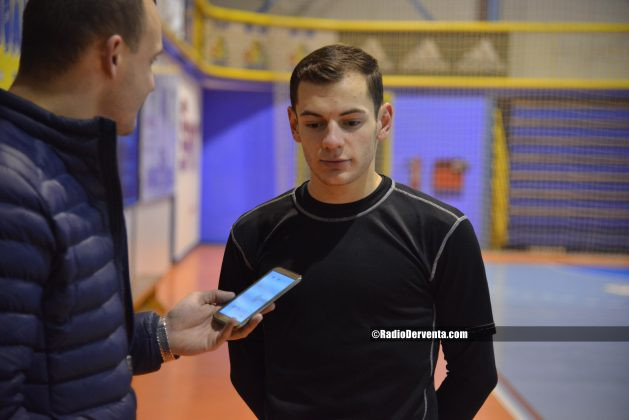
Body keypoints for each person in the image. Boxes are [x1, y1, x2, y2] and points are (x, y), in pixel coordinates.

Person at [0, 0, 268, 418]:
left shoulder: (63, 166)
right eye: (152, 62)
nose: (152, 84)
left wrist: (162, 335)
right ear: (114, 56)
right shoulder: (13, 190)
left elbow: (59, 354)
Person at [218, 44, 497, 419]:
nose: (332, 141)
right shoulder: (252, 236)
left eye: (351, 122)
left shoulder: (443, 233)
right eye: (314, 124)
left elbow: (476, 370)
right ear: (294, 124)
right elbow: (245, 363)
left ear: (384, 121)